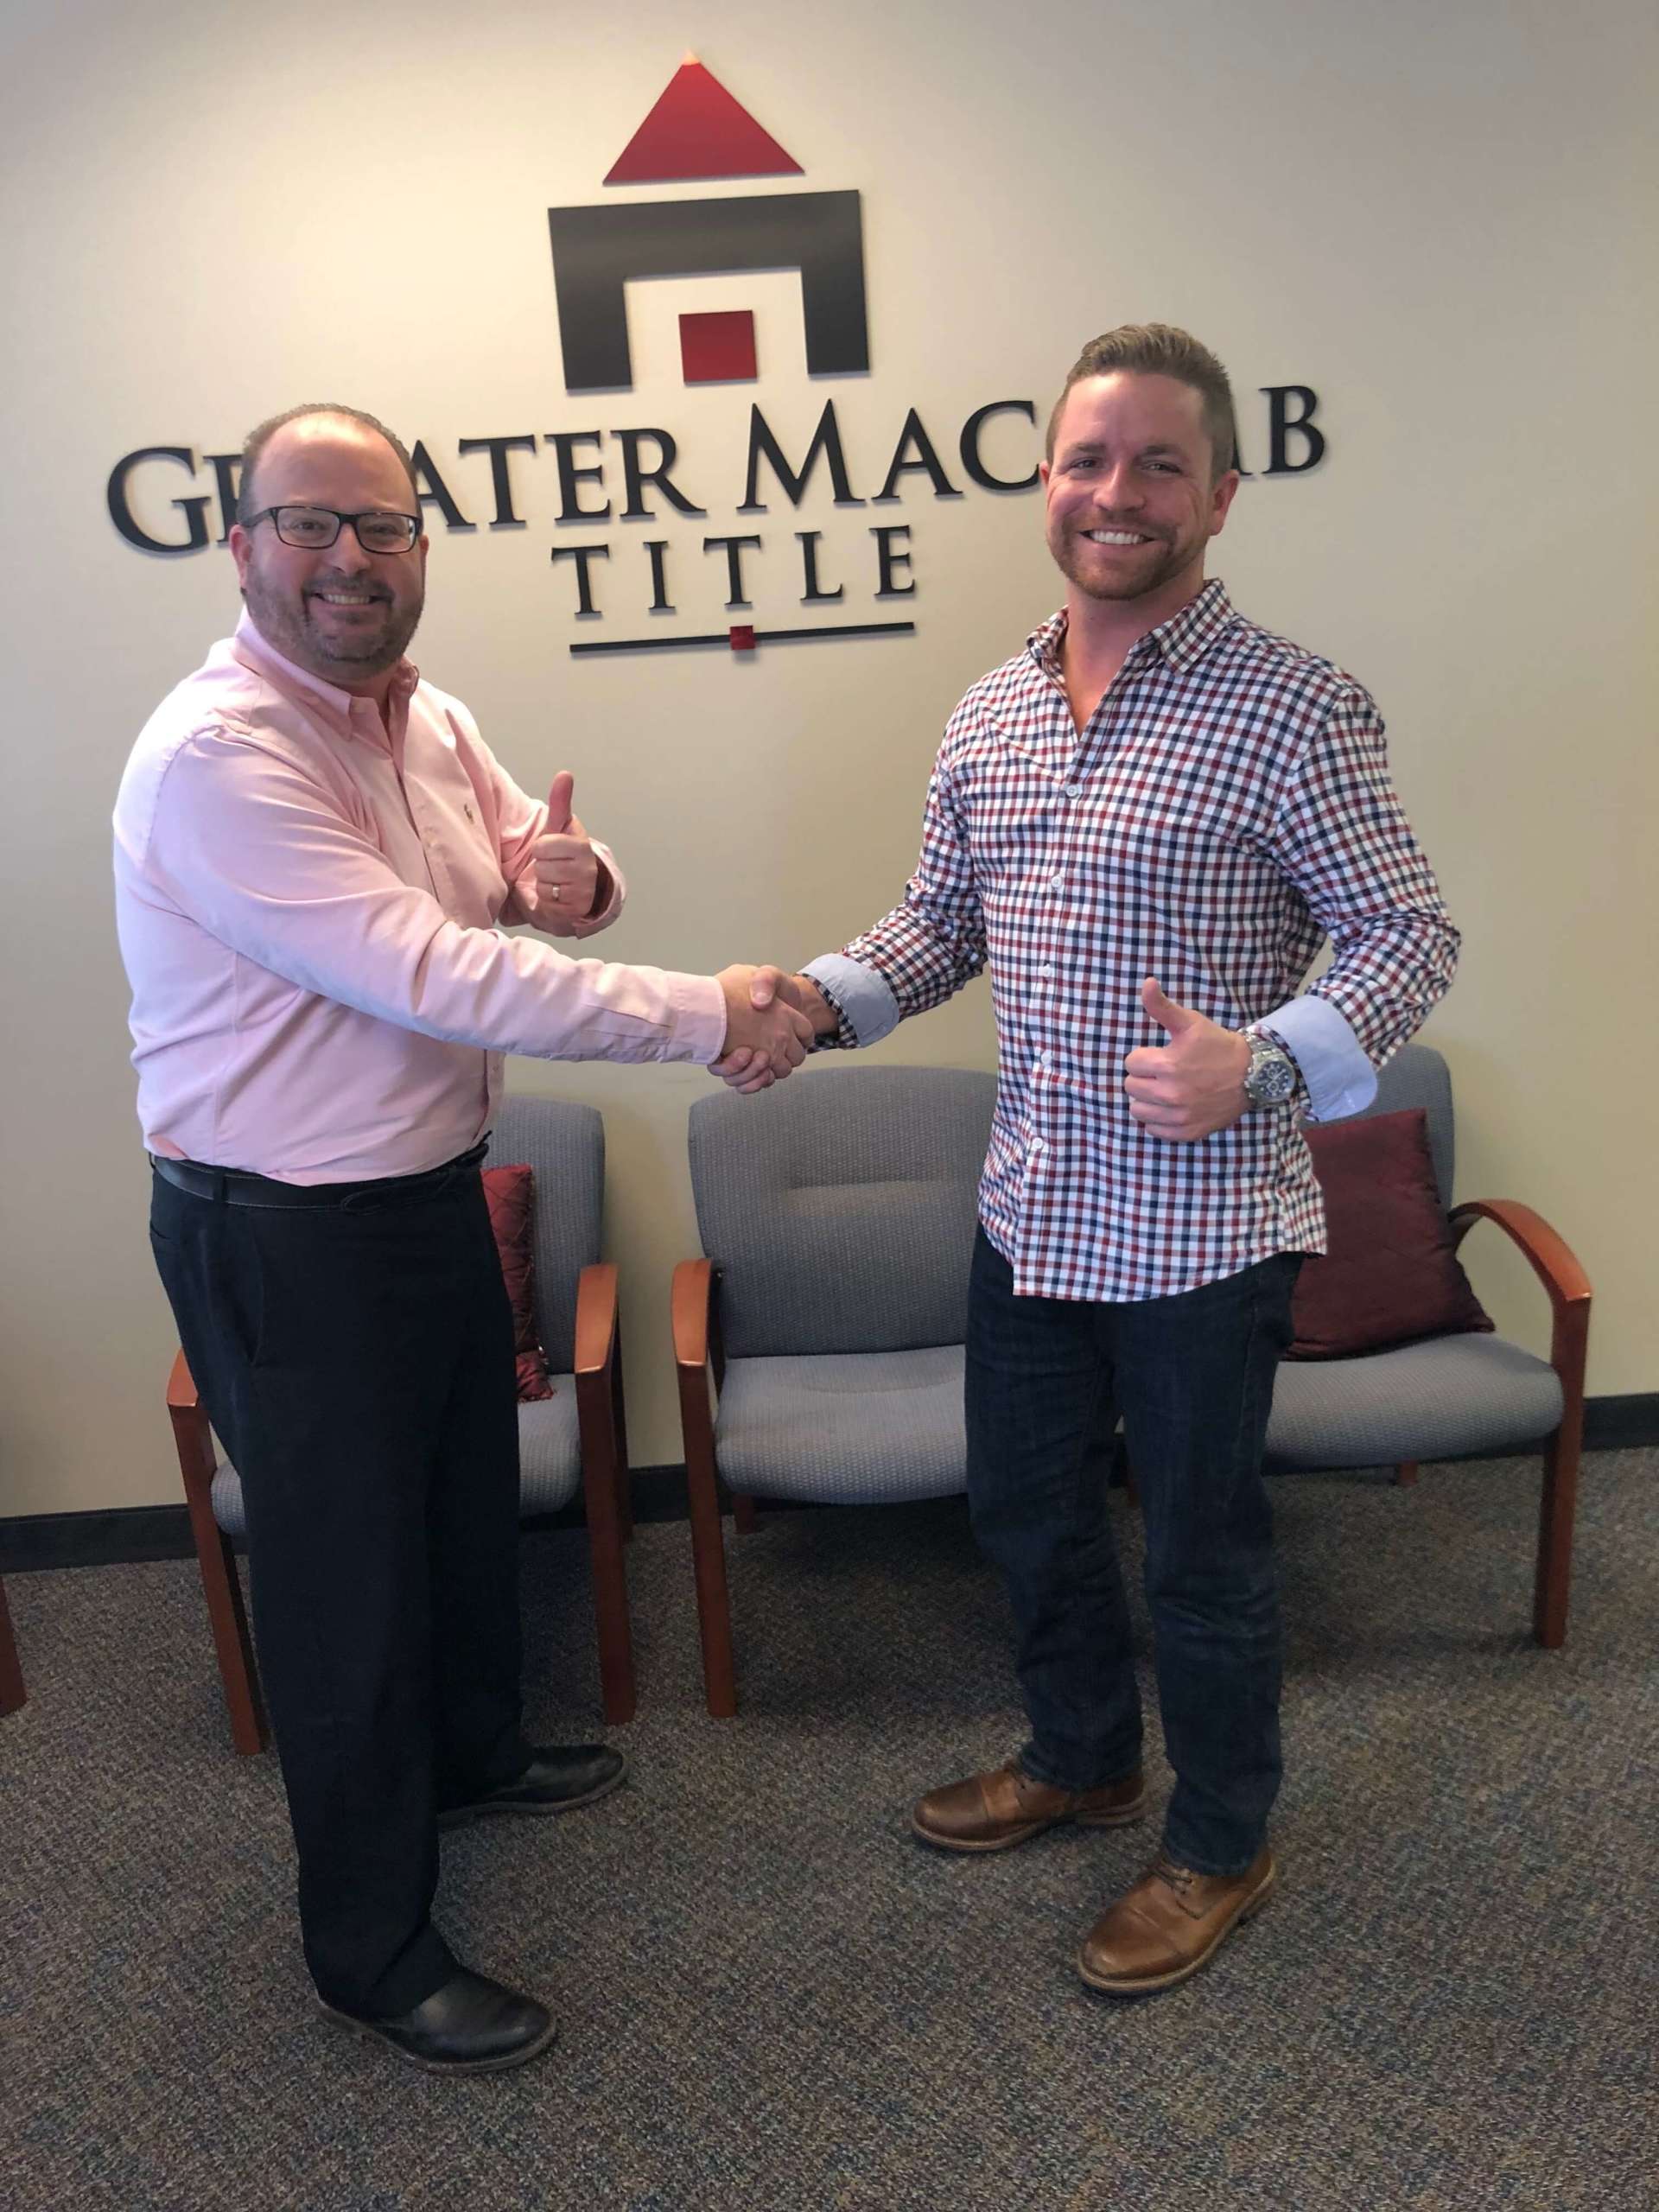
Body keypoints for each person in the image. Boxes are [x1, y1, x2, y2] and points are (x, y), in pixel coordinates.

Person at [716, 325, 1459, 1996]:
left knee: (1201, 1554)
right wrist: (809, 1009)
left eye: (1156, 463)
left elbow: (1408, 932)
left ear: (1221, 494)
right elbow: (942, 920)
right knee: (1029, 1515)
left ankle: (1219, 1844)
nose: (1114, 493)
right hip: (1032, 1202)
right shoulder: (991, 705)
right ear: (1047, 478)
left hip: (1204, 1230)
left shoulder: (1297, 706)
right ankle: (1079, 1758)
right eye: (1085, 460)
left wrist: (1265, 1059)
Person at [113, 403, 812, 2075]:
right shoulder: (224, 760)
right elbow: (431, 968)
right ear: (243, 548)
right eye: (311, 524)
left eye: (382, 526)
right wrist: (708, 1009)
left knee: (456, 1500)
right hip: (283, 1238)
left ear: (422, 545)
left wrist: (576, 877)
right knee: (344, 1589)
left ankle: (479, 1752)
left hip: (426, 1189)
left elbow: (526, 873)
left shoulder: (424, 716)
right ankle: (370, 1947)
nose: (350, 558)